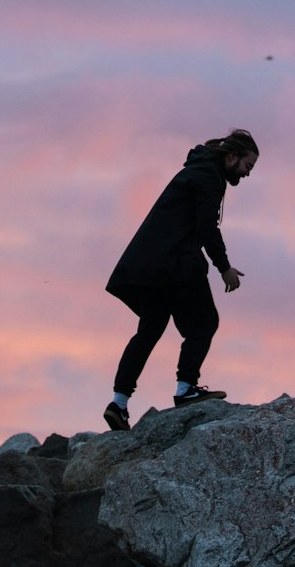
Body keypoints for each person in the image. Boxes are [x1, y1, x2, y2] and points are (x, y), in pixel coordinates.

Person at [103, 128, 259, 431]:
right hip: (175, 262)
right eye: (246, 166)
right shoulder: (209, 176)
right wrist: (223, 266)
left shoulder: (197, 170)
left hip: (148, 264)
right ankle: (186, 389)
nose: (247, 173)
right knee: (204, 323)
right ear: (231, 156)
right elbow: (206, 227)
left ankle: (118, 404)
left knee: (149, 330)